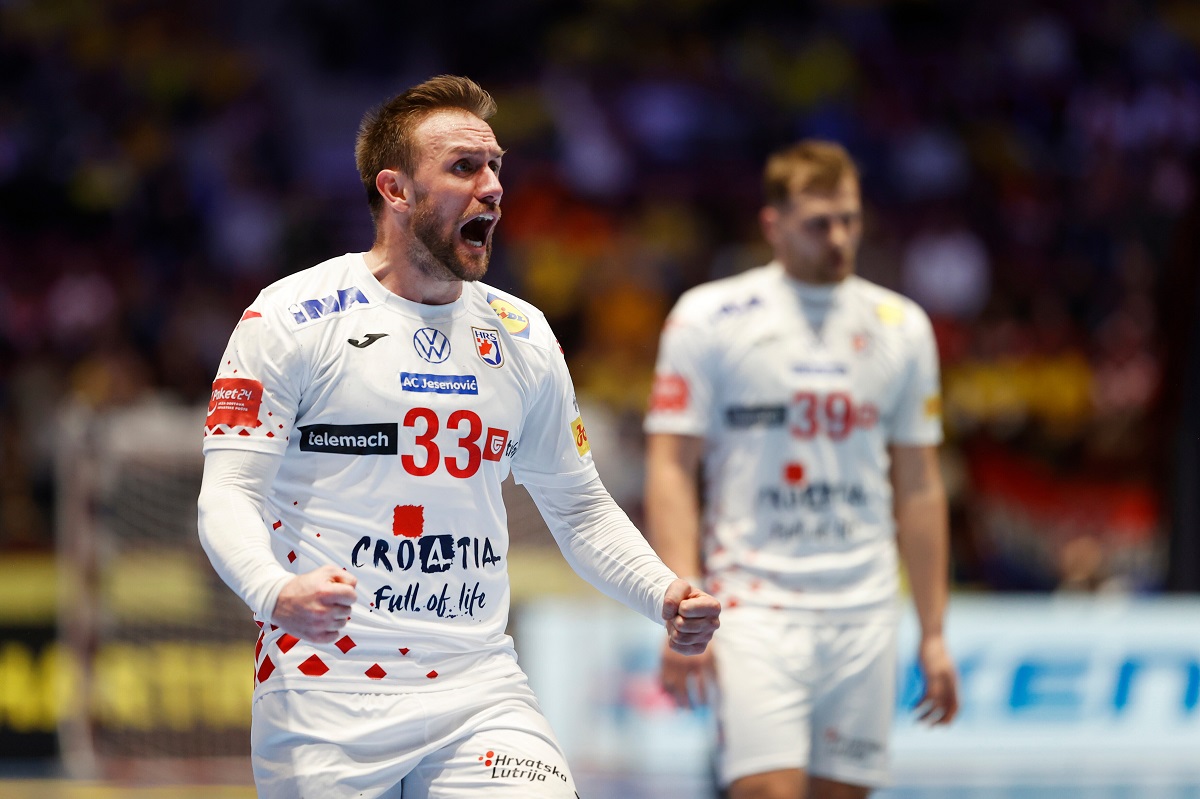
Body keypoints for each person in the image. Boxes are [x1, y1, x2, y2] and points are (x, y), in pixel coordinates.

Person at [195, 74, 720, 799]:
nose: (494, 187)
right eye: (465, 167)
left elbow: (581, 508)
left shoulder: (522, 333)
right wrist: (275, 591)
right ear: (396, 189)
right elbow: (226, 495)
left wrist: (662, 591)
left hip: (477, 684)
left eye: (497, 165)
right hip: (325, 690)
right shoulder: (291, 318)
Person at [642, 139, 958, 799]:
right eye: (819, 223)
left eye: (850, 219)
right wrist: (678, 600)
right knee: (770, 791)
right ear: (773, 225)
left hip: (865, 607)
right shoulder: (707, 317)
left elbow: (922, 486)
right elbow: (670, 466)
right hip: (753, 605)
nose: (839, 237)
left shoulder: (904, 326)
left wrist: (932, 633)